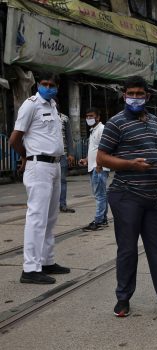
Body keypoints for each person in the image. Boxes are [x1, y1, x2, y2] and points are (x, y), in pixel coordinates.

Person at [96, 76, 157, 317]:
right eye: (131, 93)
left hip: (150, 198)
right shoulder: (115, 123)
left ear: (147, 97)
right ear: (124, 95)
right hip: (125, 195)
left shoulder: (153, 121)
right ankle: (123, 299)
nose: (135, 98)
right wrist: (129, 164)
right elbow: (102, 158)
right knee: (128, 249)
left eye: (140, 94)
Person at [8, 72, 71, 284]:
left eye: (51, 85)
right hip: (38, 166)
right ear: (38, 85)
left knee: (51, 217)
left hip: (54, 165)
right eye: (44, 84)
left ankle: (46, 261)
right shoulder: (31, 105)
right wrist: (26, 157)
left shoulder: (52, 105)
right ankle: (30, 268)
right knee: (37, 217)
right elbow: (14, 139)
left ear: (57, 87)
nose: (47, 87)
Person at [79, 108, 110, 231]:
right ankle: (103, 219)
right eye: (87, 116)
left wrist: (99, 164)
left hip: (99, 168)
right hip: (94, 166)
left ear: (98, 117)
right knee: (101, 194)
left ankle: (98, 221)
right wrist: (87, 160)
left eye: (91, 116)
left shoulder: (102, 129)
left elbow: (105, 148)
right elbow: (95, 149)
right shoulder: (93, 130)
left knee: (99, 195)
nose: (89, 119)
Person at [58, 110, 76, 213]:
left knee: (62, 181)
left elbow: (69, 137)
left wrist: (71, 153)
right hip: (47, 156)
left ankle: (62, 205)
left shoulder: (64, 118)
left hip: (62, 155)